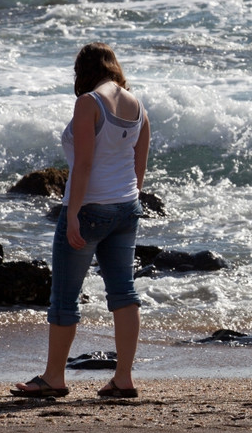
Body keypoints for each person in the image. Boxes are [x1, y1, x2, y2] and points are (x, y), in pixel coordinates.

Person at [12, 43, 151, 399]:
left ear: (83, 71)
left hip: (90, 209)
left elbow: (85, 164)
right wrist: (126, 203)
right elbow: (139, 170)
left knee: (64, 298)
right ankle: (123, 379)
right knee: (124, 293)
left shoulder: (89, 102)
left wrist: (72, 213)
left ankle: (53, 378)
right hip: (126, 207)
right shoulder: (138, 108)